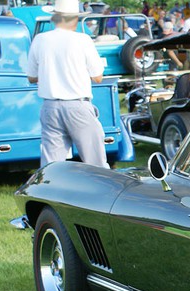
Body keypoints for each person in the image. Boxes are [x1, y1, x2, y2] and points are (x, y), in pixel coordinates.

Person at [26, 0, 108, 168]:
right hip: (77, 104)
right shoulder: (82, 40)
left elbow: (32, 77)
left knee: (51, 165)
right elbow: (97, 76)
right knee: (95, 162)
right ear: (74, 19)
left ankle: (47, 193)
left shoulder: (40, 40)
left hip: (50, 106)